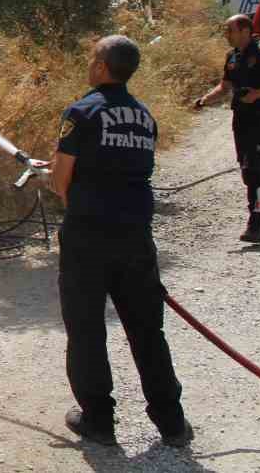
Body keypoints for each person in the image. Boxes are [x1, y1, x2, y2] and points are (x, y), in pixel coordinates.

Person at [48, 35, 192, 448]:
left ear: (100, 67)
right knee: (147, 330)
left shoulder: (81, 112)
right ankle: (172, 422)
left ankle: (98, 421)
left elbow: (62, 181)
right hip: (136, 238)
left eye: (93, 57)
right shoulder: (144, 116)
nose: (89, 63)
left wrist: (55, 175)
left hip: (88, 239)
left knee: (87, 329)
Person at [192, 13, 260, 240]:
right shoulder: (232, 56)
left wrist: (258, 95)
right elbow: (225, 86)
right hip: (242, 120)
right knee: (249, 172)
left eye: (230, 30)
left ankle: (255, 224)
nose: (227, 35)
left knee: (254, 168)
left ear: (245, 30)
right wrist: (204, 100)